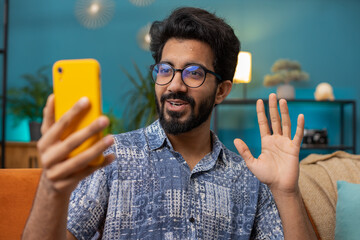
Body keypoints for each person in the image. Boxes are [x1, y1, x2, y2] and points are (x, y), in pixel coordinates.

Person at [23, 7, 316, 240]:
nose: (174, 85)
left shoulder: (251, 178)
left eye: (193, 73)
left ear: (222, 90)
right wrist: (52, 187)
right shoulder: (110, 157)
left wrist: (287, 193)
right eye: (165, 70)